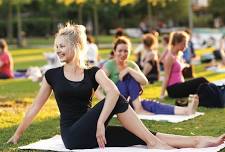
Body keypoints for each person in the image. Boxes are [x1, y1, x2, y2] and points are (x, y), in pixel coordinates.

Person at [8, 23, 225, 150]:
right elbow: (35, 107)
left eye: (62, 46)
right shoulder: (52, 75)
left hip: (93, 129)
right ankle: (153, 143)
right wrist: (17, 135)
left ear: (76, 46)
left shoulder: (93, 72)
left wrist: (100, 123)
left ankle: (197, 141)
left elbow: (111, 92)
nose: (58, 50)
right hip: (73, 136)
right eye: (56, 46)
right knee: (118, 99)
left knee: (139, 134)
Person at [100, 36, 199, 116]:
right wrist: (106, 103)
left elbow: (144, 81)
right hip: (113, 101)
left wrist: (129, 70)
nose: (123, 54)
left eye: (126, 51)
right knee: (129, 77)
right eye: (120, 51)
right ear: (114, 51)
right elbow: (96, 88)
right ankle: (139, 109)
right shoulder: (109, 65)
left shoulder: (131, 65)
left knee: (151, 104)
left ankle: (185, 111)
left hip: (127, 101)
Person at [160, 31, 209, 99]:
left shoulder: (178, 55)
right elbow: (166, 76)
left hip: (180, 85)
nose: (186, 46)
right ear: (177, 42)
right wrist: (162, 94)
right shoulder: (169, 57)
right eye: (184, 44)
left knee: (202, 87)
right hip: (174, 89)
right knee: (202, 80)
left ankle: (217, 93)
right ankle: (218, 91)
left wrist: (186, 66)